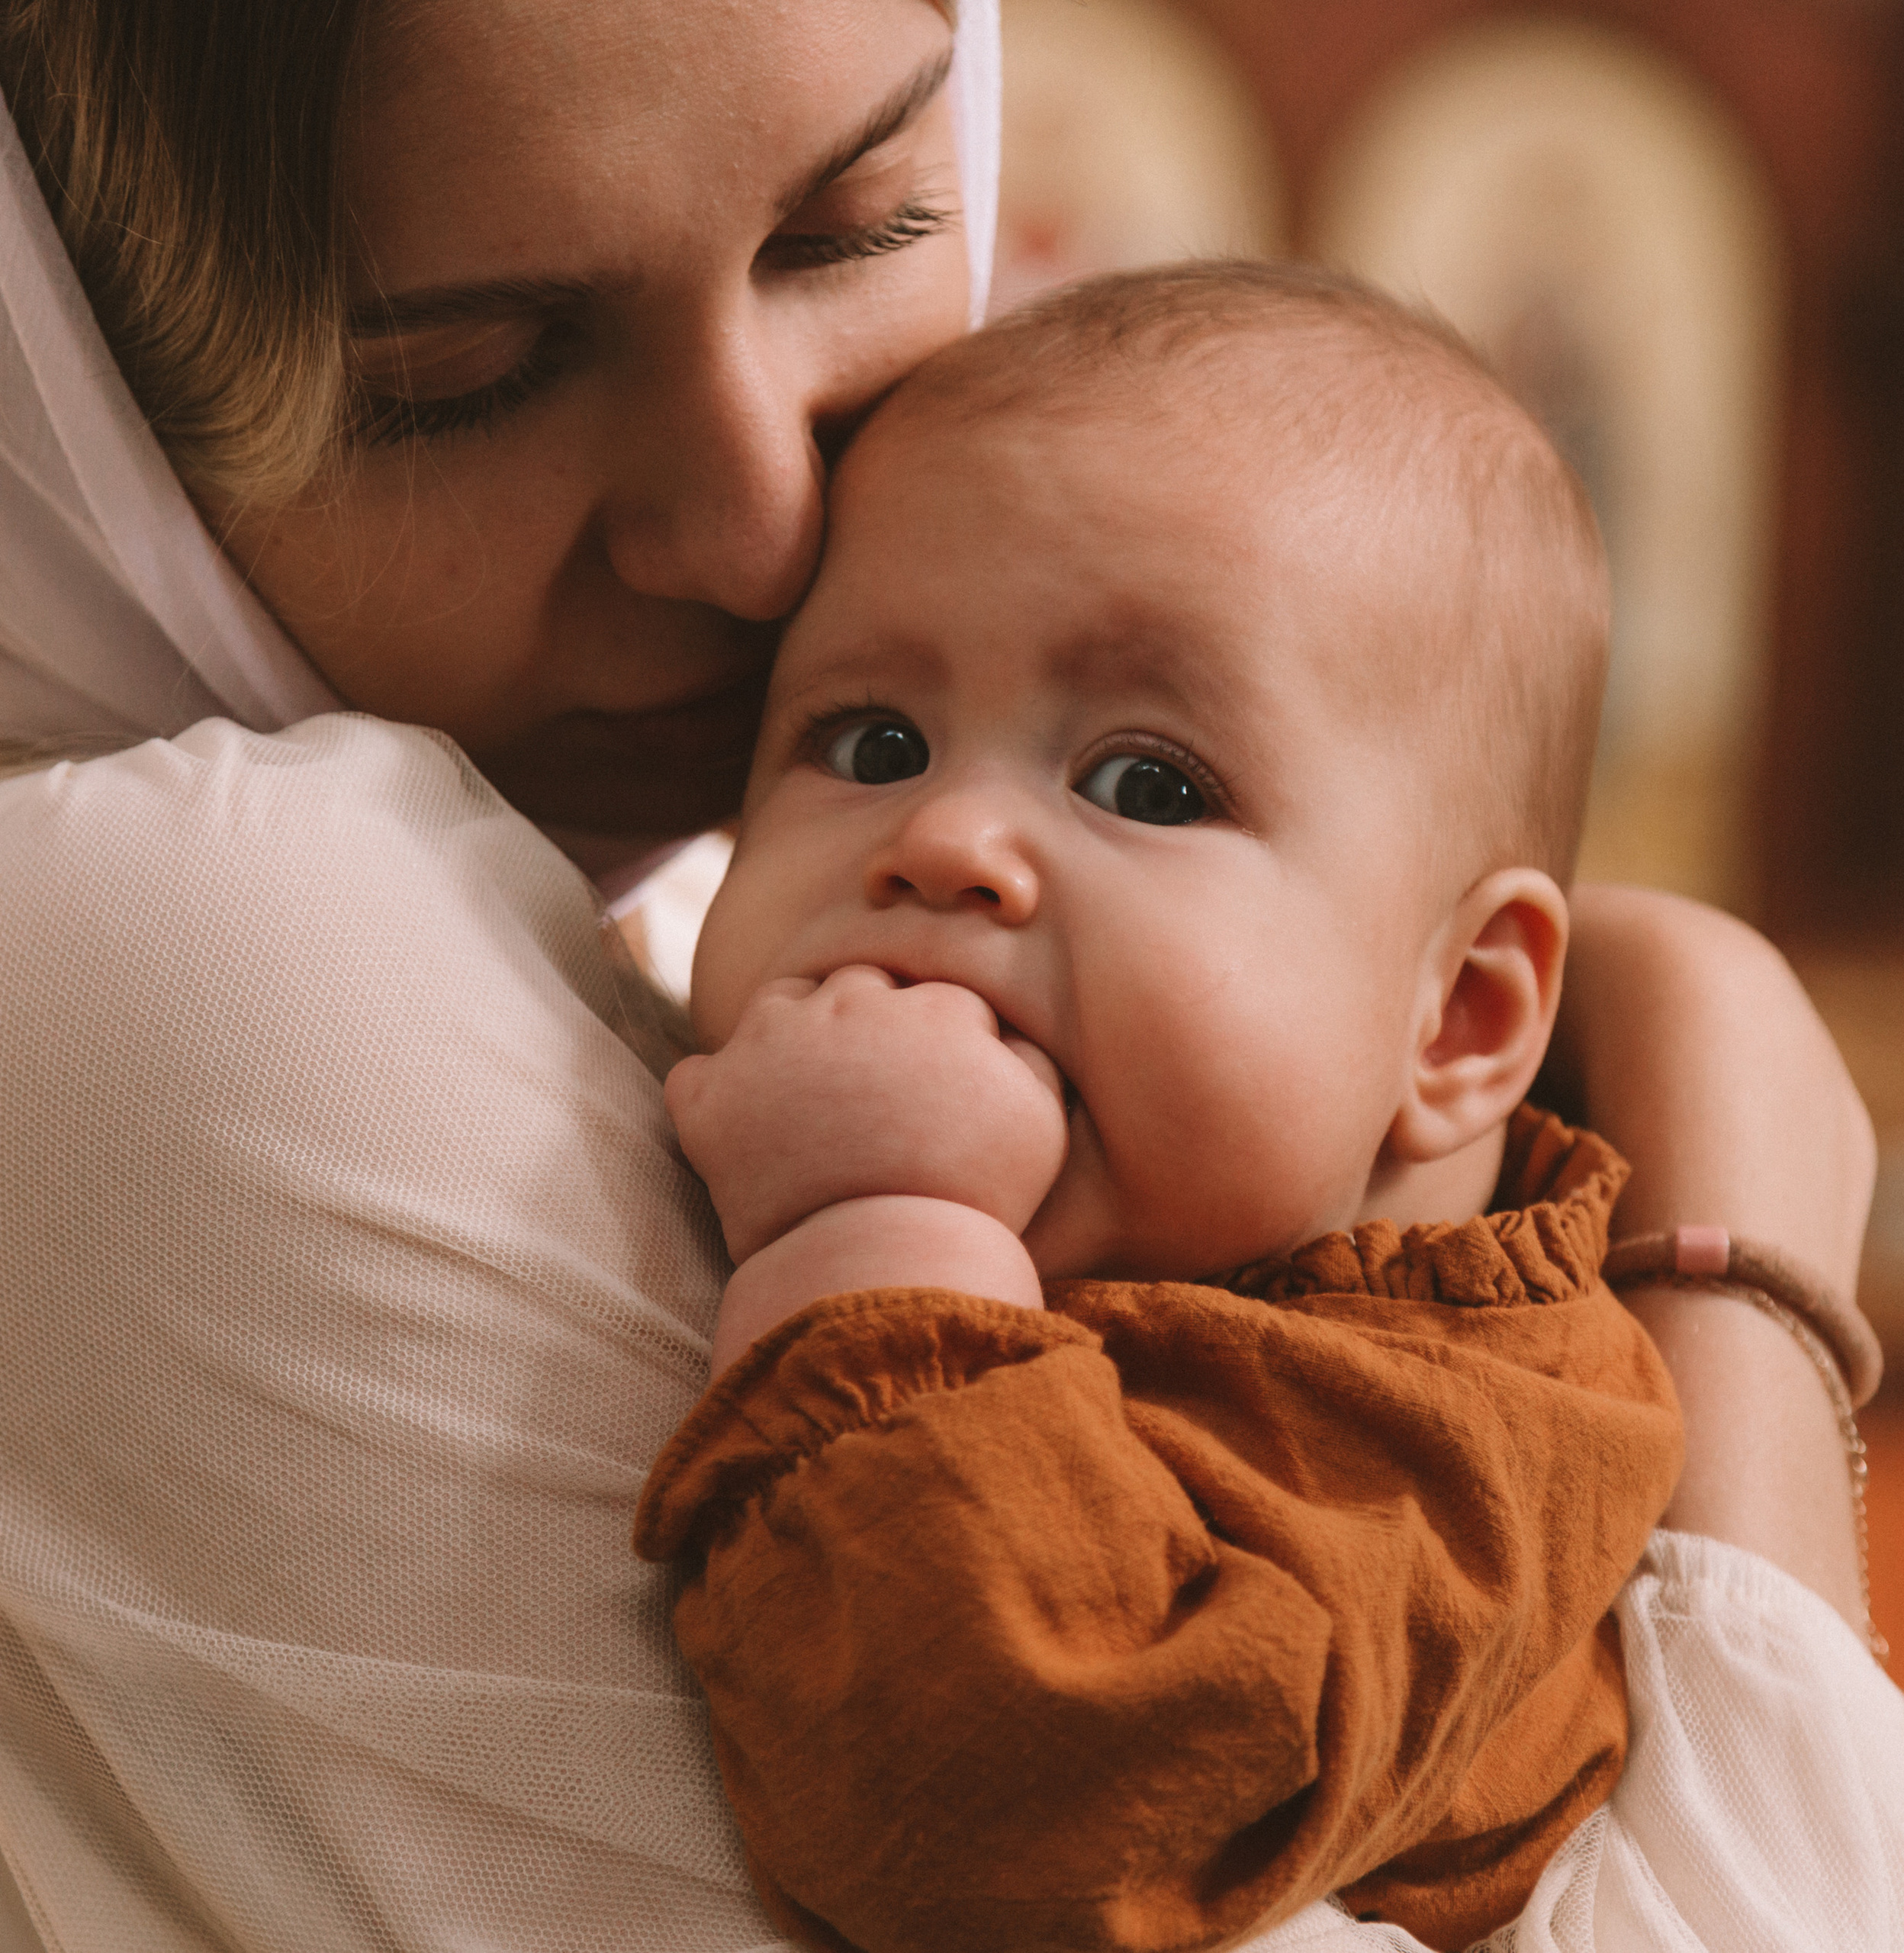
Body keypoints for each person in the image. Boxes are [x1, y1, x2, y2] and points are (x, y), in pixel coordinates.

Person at [0, 2, 1904, 1950]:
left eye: (854, 226)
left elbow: (1048, 1775)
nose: (767, 539)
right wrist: (1746, 1250)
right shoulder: (186, 946)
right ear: (71, 385)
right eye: (466, 375)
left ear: (1458, 1014)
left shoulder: (1366, 1420)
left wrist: (879, 1231)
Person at [639, 264, 1692, 1953]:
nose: (946, 841)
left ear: (1458, 1017)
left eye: (1147, 782)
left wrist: (875, 1231)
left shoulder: (1440, 1443)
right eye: (872, 738)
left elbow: (1024, 1812)